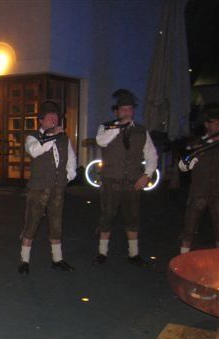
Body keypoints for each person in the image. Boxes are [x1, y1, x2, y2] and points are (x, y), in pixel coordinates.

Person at [93, 89, 158, 266]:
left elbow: (152, 155)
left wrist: (147, 175)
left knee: (132, 218)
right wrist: (119, 127)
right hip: (111, 181)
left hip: (133, 182)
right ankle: (102, 253)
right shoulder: (106, 127)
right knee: (107, 216)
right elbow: (101, 141)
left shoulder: (141, 131)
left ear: (133, 111)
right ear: (116, 112)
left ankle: (133, 254)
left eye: (129, 109)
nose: (126, 112)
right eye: (123, 109)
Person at [18, 101, 77, 274]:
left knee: (56, 224)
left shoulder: (64, 138)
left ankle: (57, 259)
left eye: (56, 117)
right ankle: (24, 260)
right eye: (50, 117)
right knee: (31, 223)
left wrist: (68, 176)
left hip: (58, 188)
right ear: (41, 120)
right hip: (38, 188)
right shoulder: (32, 137)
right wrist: (51, 137)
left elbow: (71, 159)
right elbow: (35, 151)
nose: (54, 120)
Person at [178, 103, 219, 253]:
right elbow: (183, 166)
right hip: (199, 192)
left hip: (218, 192)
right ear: (207, 124)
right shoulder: (198, 144)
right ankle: (183, 259)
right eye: (214, 122)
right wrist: (189, 162)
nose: (217, 125)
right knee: (189, 228)